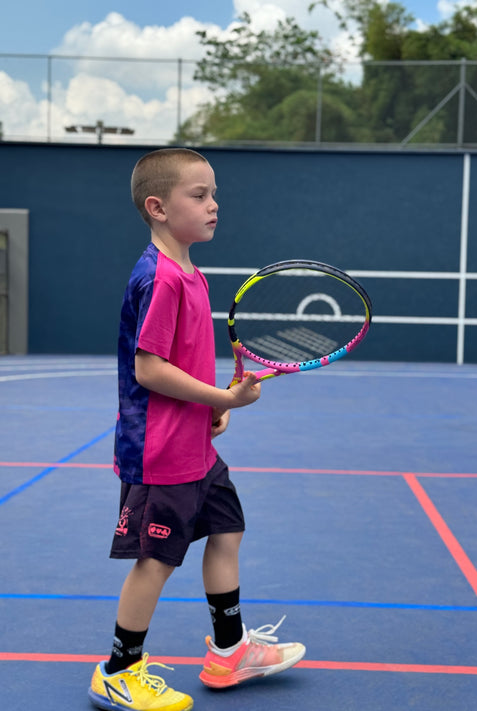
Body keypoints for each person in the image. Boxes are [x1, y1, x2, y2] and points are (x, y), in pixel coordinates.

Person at [88, 148, 305, 711]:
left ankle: (229, 650)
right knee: (155, 559)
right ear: (158, 207)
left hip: (194, 446)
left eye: (214, 194)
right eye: (200, 195)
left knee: (227, 530)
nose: (214, 205)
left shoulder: (191, 273)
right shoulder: (161, 277)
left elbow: (182, 360)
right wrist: (223, 396)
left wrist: (211, 409)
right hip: (160, 452)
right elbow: (149, 368)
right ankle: (118, 670)